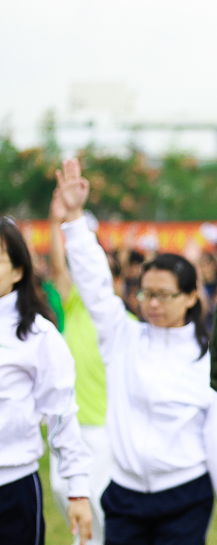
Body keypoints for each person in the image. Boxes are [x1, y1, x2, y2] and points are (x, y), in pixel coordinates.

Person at [57, 158, 217, 545]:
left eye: (163, 295)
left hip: (185, 494)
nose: (152, 304)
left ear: (192, 297)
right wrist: (74, 219)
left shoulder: (207, 358)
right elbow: (93, 283)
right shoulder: (122, 336)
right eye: (146, 294)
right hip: (124, 493)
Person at [0, 217, 94, 545]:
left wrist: (78, 490)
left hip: (12, 487)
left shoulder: (37, 334)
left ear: (18, 270)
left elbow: (61, 413)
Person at [45, 191, 112, 544]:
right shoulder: (73, 305)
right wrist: (58, 221)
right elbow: (59, 267)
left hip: (102, 424)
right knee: (62, 489)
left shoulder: (119, 316)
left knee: (96, 498)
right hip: (67, 419)